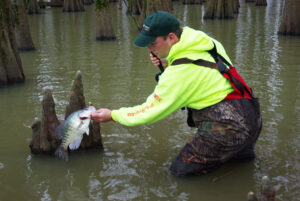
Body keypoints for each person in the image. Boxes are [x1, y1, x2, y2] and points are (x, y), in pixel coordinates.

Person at [91, 11, 262, 177]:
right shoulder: (201, 39)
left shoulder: (178, 74)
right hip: (252, 114)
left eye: (153, 44)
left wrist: (112, 115)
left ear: (171, 37)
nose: (149, 49)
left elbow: (148, 112)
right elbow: (200, 69)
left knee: (179, 172)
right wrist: (168, 62)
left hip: (227, 128)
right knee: (241, 168)